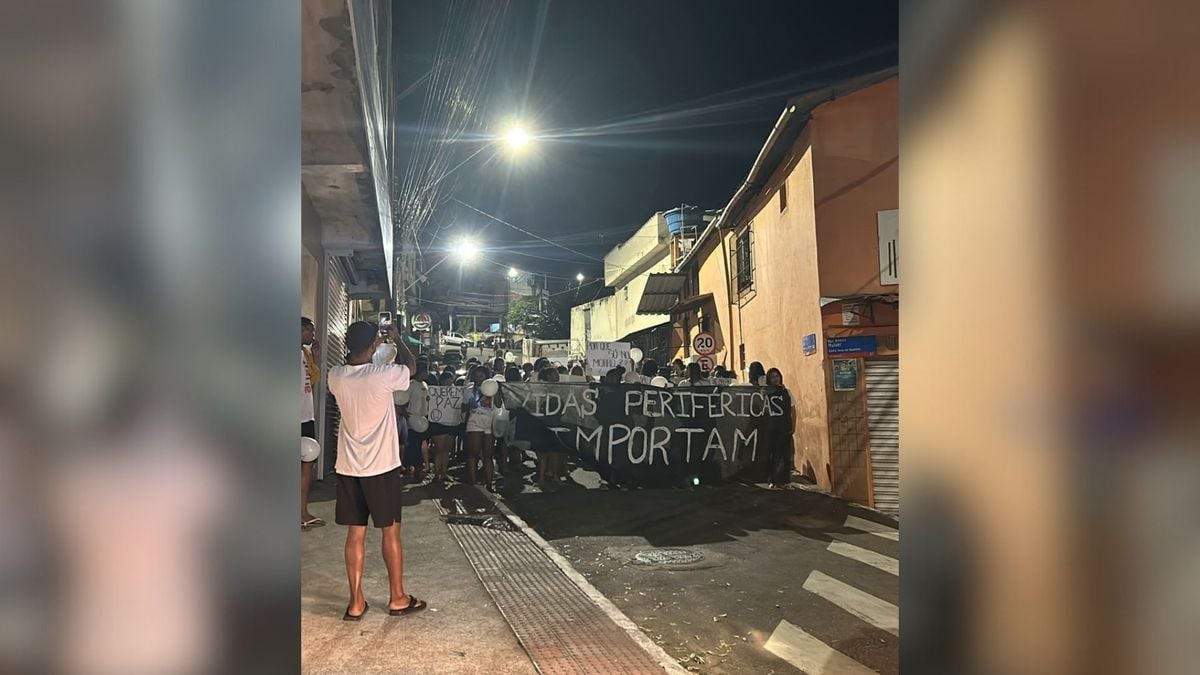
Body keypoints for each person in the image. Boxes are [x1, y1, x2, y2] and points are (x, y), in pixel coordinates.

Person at [327, 321, 427, 620]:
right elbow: (412, 366)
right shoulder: (384, 374)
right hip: (382, 467)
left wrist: (373, 346)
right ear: (374, 345)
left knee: (354, 535)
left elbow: (353, 364)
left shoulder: (335, 376)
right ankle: (397, 597)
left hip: (348, 467)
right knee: (390, 533)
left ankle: (356, 603)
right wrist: (398, 339)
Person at [301, 317, 325, 531]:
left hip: (306, 417)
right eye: (309, 330)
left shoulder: (305, 354)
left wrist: (315, 357)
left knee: (307, 464)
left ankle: (302, 512)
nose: (312, 334)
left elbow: (313, 381)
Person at [463, 365, 497, 490]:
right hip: (475, 422)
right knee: (474, 453)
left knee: (488, 454)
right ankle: (473, 480)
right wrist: (470, 405)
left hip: (489, 422)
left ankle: (489, 483)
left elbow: (499, 405)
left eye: (481, 376)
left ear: (487, 376)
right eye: (476, 376)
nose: (479, 379)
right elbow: (463, 407)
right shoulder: (469, 389)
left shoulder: (494, 388)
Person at [765, 367, 797, 488]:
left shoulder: (787, 392)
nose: (775, 379)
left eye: (777, 376)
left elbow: (793, 410)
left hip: (785, 427)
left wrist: (794, 425)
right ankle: (773, 479)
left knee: (786, 454)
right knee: (774, 454)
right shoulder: (766, 392)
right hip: (772, 428)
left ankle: (785, 480)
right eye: (772, 377)